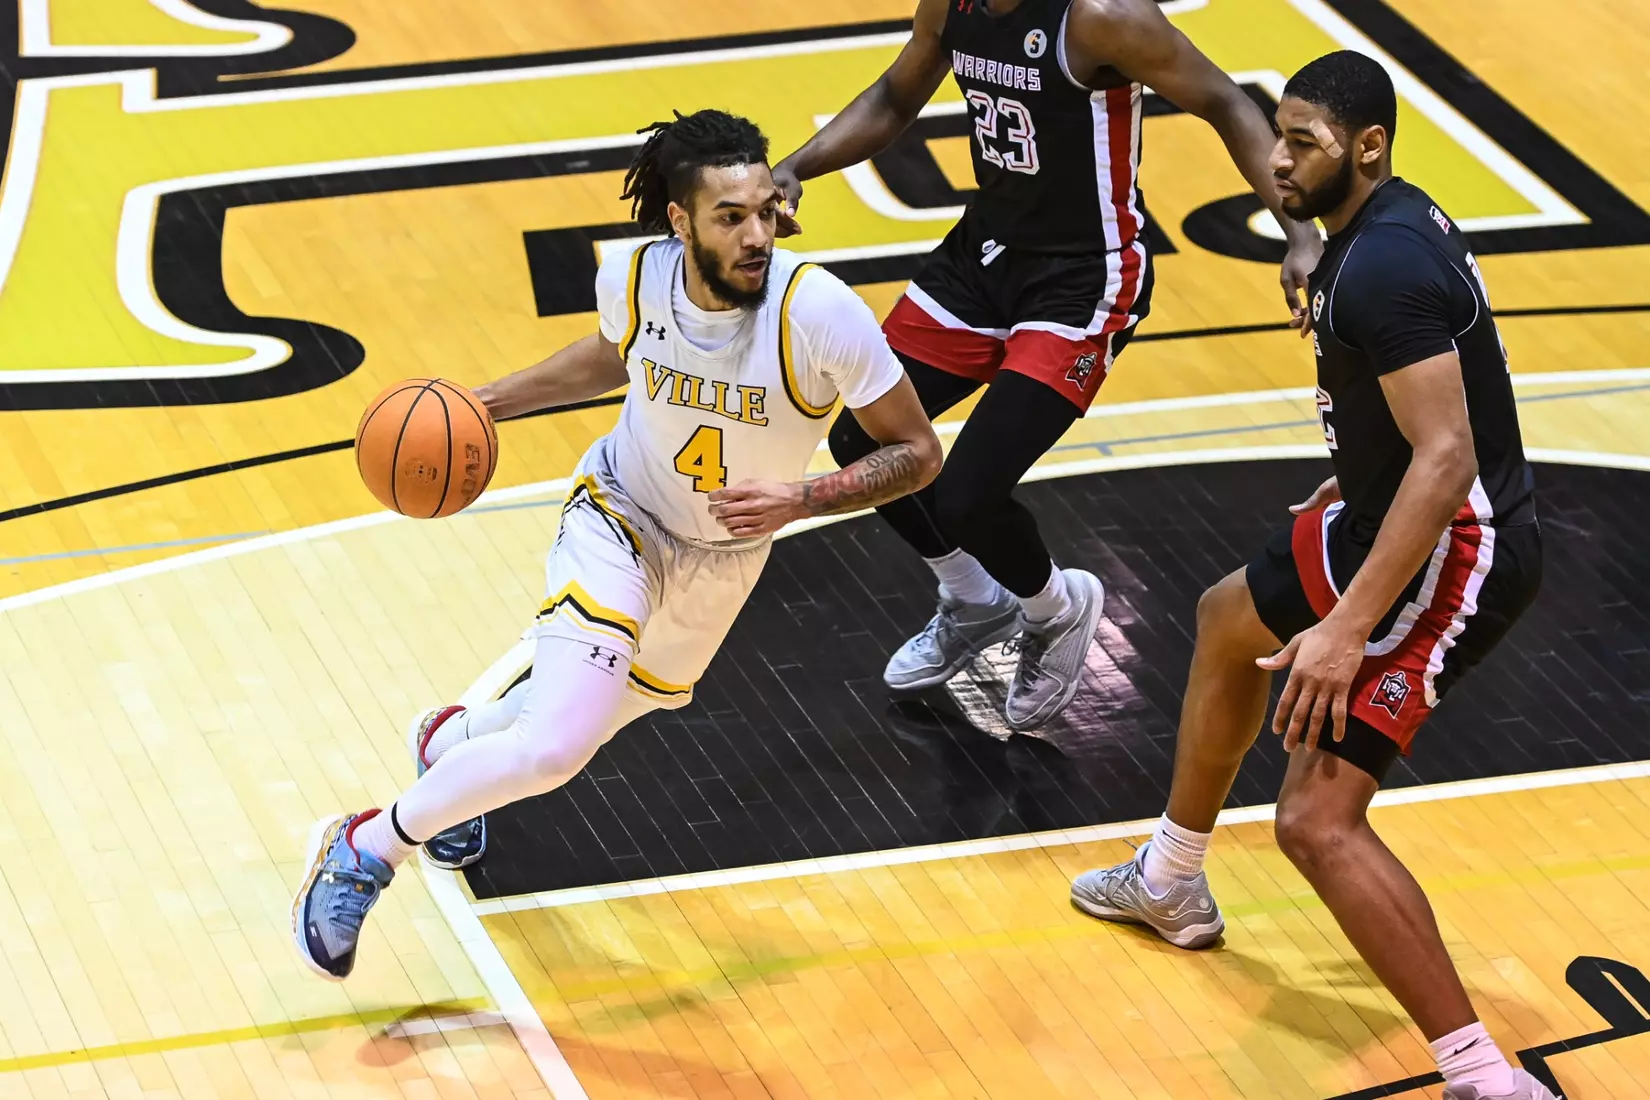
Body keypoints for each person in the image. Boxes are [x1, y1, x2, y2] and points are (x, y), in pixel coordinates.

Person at [290, 109, 943, 981]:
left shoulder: (819, 311)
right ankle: (364, 847)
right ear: (679, 222)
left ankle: (452, 739)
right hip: (620, 516)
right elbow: (610, 358)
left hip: (724, 559)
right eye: (729, 217)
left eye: (764, 211)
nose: (757, 234)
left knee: (565, 731)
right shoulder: (636, 277)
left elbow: (919, 453)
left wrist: (804, 495)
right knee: (555, 748)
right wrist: (486, 402)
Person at [1070, 52, 1551, 1100]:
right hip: (1389, 508)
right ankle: (1172, 878)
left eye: (1302, 143)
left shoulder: (1381, 269)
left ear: (1367, 148)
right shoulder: (1372, 235)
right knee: (1228, 616)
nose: (1275, 161)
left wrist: (1344, 629)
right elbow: (1424, 413)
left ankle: (1486, 1080)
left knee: (1313, 823)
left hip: (1454, 551)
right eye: (1275, 135)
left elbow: (1449, 457)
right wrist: (1351, 478)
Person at [770, 0, 1323, 730]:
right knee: (863, 440)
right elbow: (895, 95)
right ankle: (972, 599)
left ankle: (1057, 610)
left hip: (1082, 280)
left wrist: (1300, 232)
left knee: (969, 492)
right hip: (983, 257)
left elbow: (1224, 99)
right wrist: (793, 167)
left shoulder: (1100, 18)